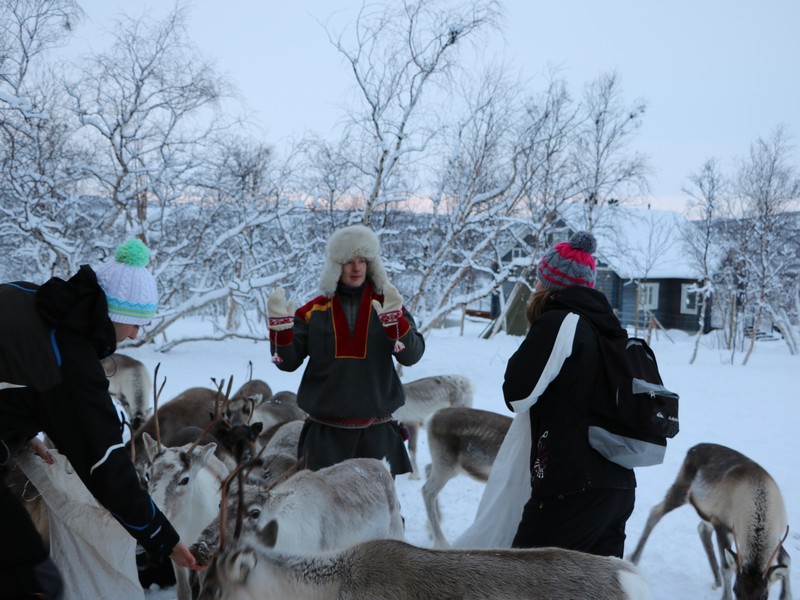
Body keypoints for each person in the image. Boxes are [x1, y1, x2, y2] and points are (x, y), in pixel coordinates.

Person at [0, 238, 201, 599]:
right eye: (135, 323)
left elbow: (18, 372)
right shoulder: (72, 365)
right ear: (114, 316)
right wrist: (164, 539)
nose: (137, 334)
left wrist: (19, 422)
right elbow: (106, 466)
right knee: (29, 576)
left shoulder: (29, 296)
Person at [501, 230, 636, 557]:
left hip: (572, 489)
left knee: (522, 584)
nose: (534, 286)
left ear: (550, 284)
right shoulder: (608, 328)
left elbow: (517, 395)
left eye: (539, 279)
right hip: (618, 485)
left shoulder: (560, 322)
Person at [267, 224, 425, 476]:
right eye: (349, 260)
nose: (356, 267)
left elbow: (412, 355)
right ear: (336, 265)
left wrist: (398, 322)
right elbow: (288, 362)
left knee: (378, 514)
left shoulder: (389, 306)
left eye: (362, 260)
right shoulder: (312, 312)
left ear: (371, 264)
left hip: (376, 434)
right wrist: (281, 331)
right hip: (324, 436)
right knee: (322, 514)